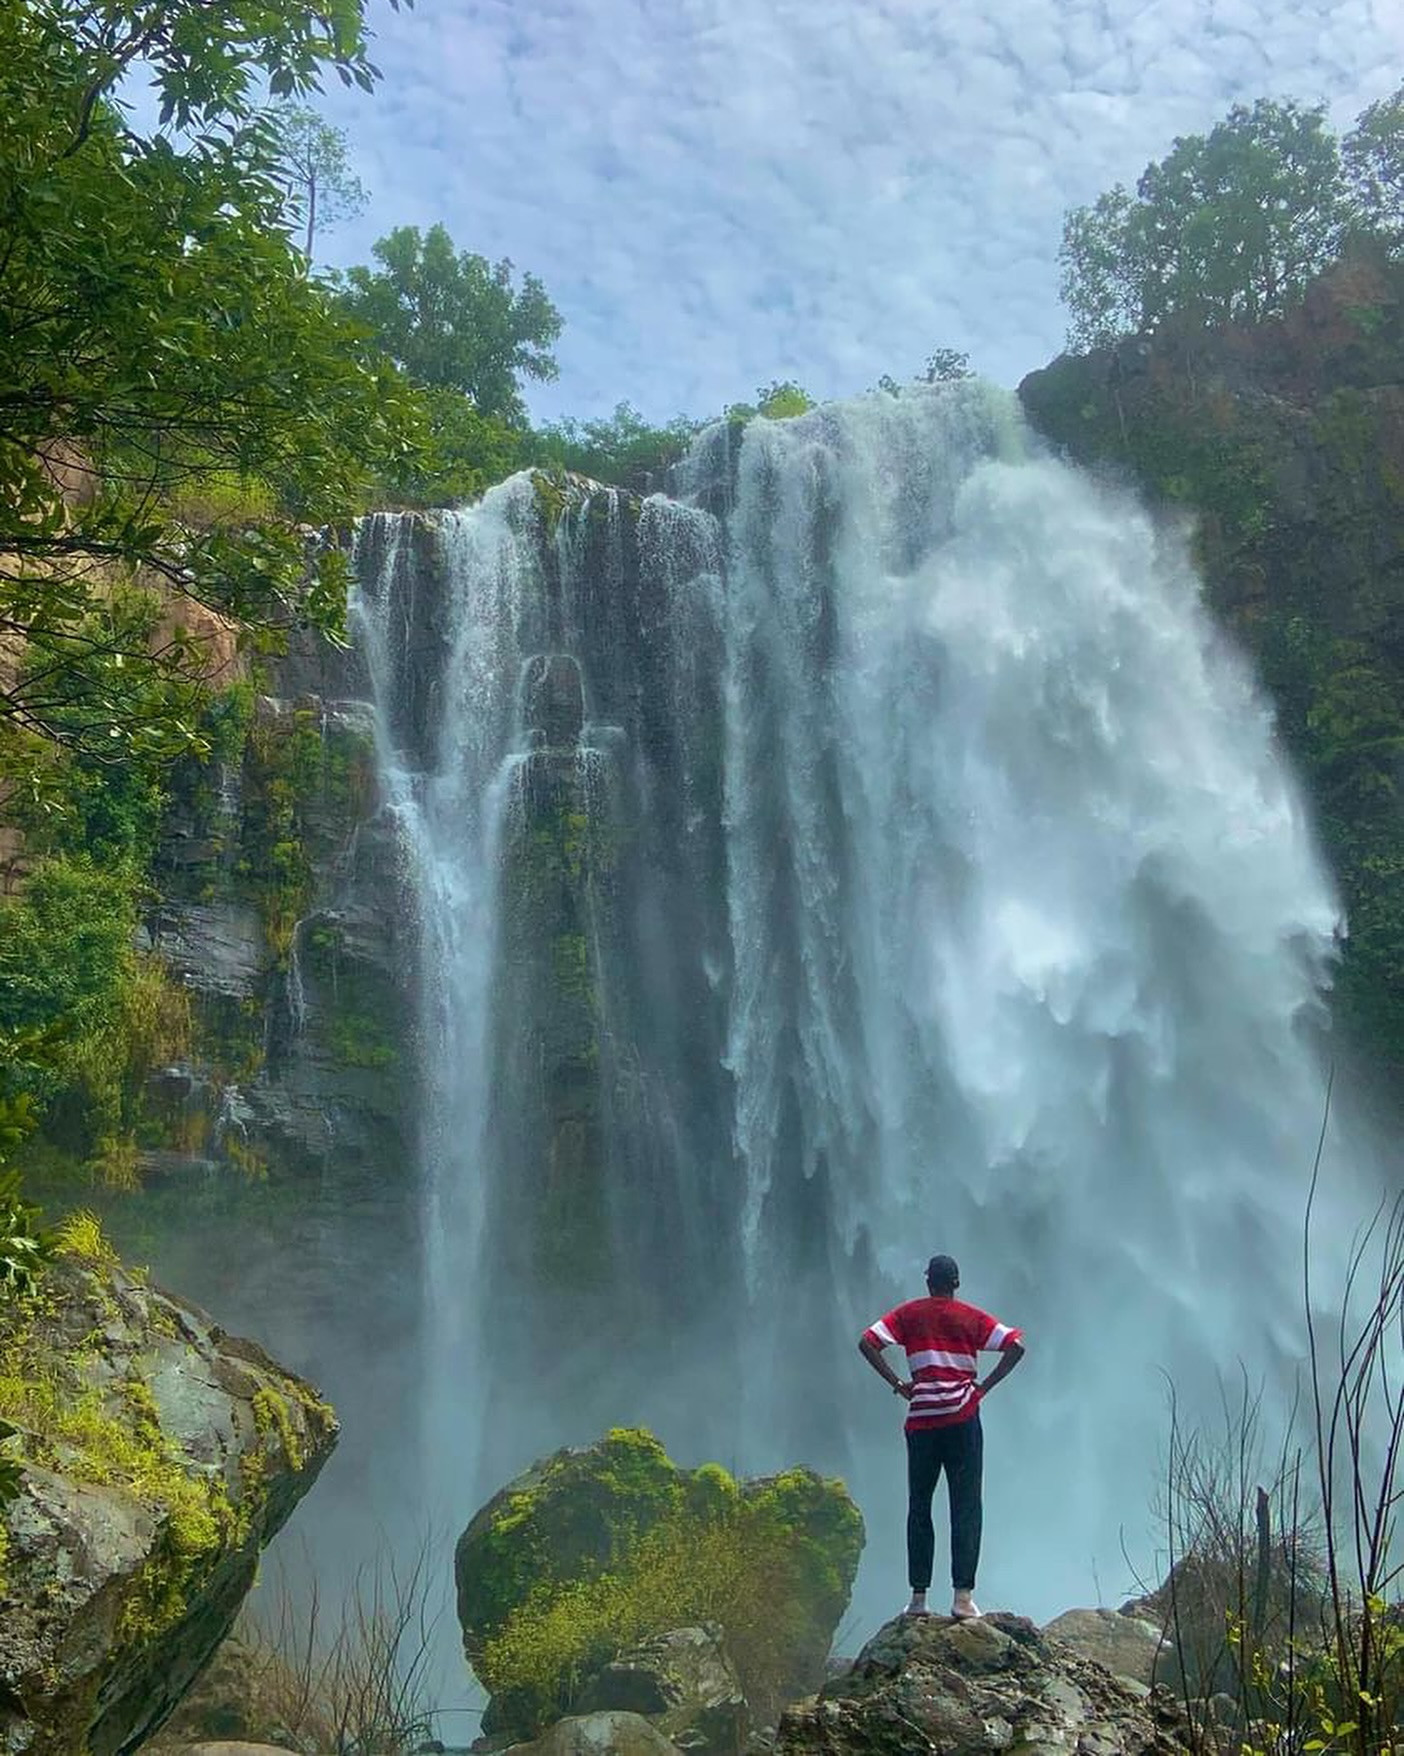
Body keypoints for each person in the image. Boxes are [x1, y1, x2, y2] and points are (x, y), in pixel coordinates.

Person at [859, 1253, 1025, 1620]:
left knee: (920, 1506)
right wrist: (984, 1388)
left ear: (927, 1281)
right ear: (956, 1284)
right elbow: (1015, 1346)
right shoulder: (971, 1317)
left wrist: (899, 1385)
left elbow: (867, 1342)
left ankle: (918, 1599)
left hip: (922, 1421)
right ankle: (962, 1599)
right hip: (963, 1418)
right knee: (966, 1505)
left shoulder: (909, 1314)